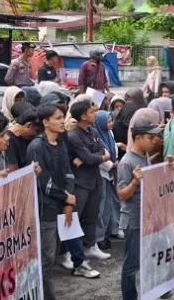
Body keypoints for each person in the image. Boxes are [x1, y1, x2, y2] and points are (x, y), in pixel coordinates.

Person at [29, 104, 99, 300]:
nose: (63, 121)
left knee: (66, 240)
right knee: (47, 258)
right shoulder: (36, 147)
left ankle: (79, 264)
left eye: (63, 117)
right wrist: (65, 197)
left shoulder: (61, 142)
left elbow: (67, 171)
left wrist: (69, 200)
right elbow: (43, 182)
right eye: (58, 118)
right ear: (45, 122)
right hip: (47, 209)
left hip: (64, 202)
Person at [117, 118, 162, 300]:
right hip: (134, 220)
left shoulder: (144, 157)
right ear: (138, 138)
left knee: (150, 257)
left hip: (146, 217)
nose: (154, 141)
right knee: (131, 264)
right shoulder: (127, 162)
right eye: (150, 138)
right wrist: (135, 182)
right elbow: (121, 195)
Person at [67, 100, 112, 260]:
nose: (95, 113)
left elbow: (102, 151)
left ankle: (90, 246)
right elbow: (90, 157)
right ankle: (68, 252)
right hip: (80, 182)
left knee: (92, 215)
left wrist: (93, 157)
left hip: (95, 179)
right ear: (84, 116)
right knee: (75, 217)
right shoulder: (73, 136)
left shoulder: (93, 131)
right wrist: (95, 157)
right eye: (92, 112)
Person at [93, 110, 121, 249]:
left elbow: (112, 149)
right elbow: (101, 156)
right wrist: (112, 165)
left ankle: (111, 230)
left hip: (110, 174)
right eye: (108, 121)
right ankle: (99, 237)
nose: (111, 123)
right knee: (101, 206)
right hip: (101, 174)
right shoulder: (96, 135)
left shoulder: (109, 133)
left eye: (111, 121)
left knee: (110, 203)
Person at [6, 103, 42, 172]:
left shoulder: (26, 138)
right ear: (29, 125)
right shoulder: (9, 141)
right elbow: (13, 173)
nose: (36, 135)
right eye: (36, 131)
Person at [113, 88, 146, 156]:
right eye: (127, 100)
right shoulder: (120, 120)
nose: (128, 102)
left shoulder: (144, 112)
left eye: (131, 100)